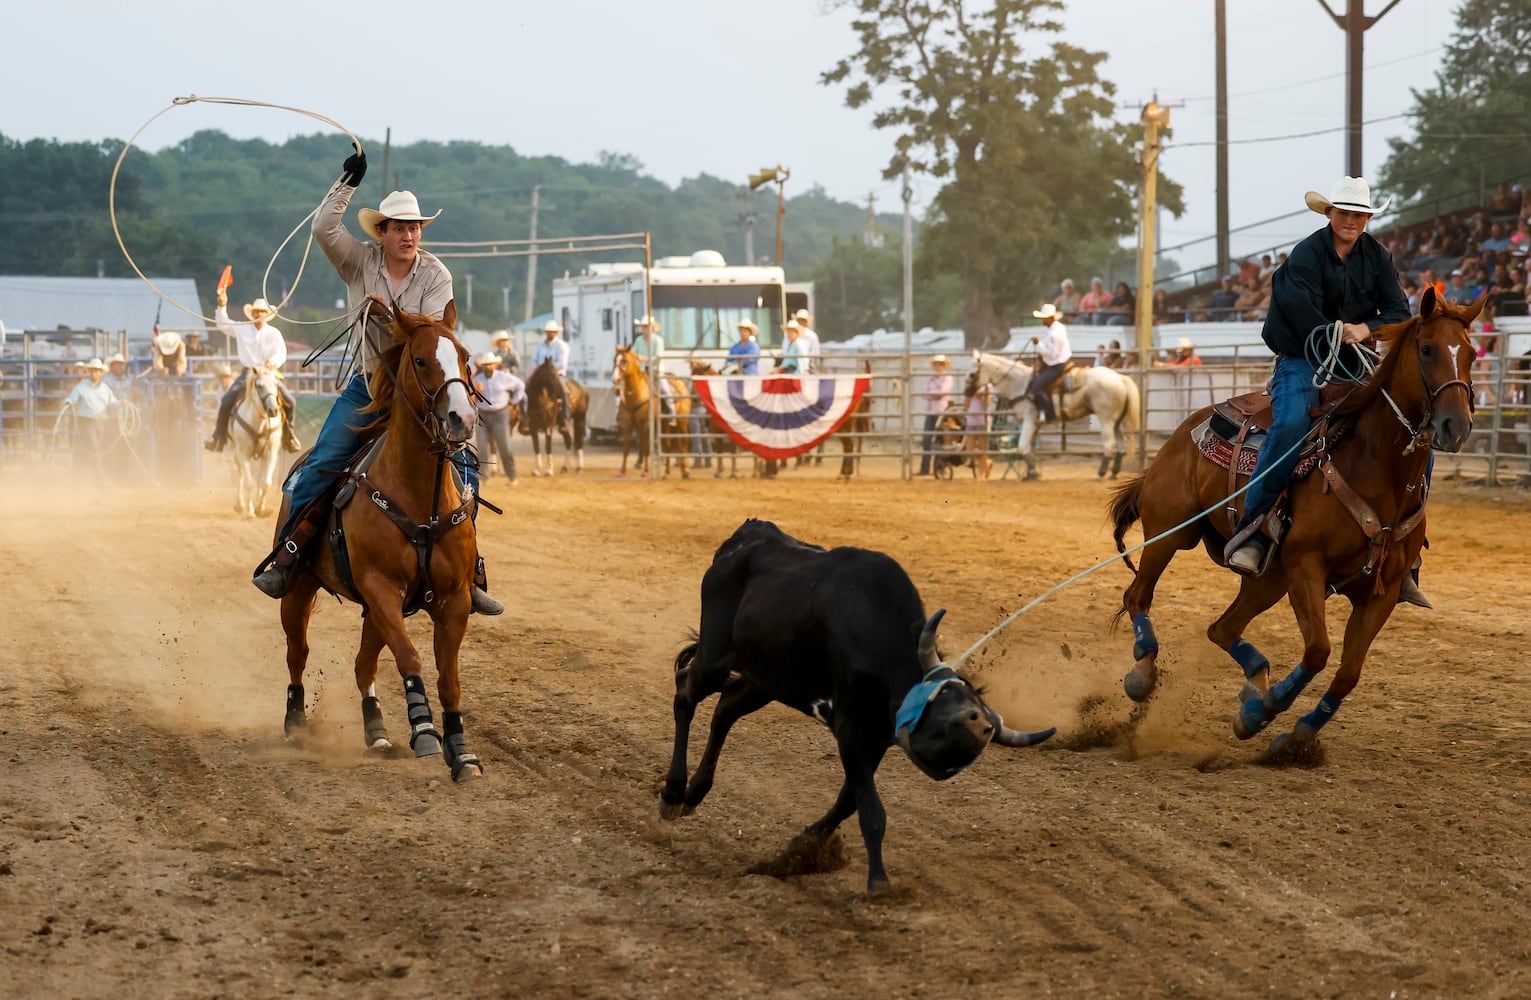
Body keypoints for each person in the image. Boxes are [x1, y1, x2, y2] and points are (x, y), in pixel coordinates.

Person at [254, 148, 502, 615]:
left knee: (463, 467)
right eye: (400, 227)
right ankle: (290, 554)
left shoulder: (436, 274)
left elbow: (427, 340)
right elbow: (323, 229)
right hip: (369, 389)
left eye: (415, 228)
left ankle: (472, 569)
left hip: (420, 397)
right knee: (324, 460)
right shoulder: (358, 261)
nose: (409, 235)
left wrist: (388, 318)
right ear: (381, 233)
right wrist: (347, 183)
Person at [1223, 176, 1428, 607]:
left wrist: (1364, 328)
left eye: (1359, 214)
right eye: (1344, 213)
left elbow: (1398, 312)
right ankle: (1253, 525)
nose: (1351, 220)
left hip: (1354, 360)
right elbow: (1297, 310)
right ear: (1330, 214)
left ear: (1368, 219)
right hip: (1302, 358)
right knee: (1293, 423)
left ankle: (1407, 552)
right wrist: (1333, 332)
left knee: (1412, 429)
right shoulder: (1306, 255)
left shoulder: (1378, 257)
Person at [207, 295, 300, 454]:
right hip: (248, 373)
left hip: (268, 374)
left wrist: (272, 362)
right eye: (256, 312)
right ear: (253, 313)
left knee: (290, 401)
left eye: (262, 311)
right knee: (226, 400)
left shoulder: (273, 333)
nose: (259, 314)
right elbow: (223, 324)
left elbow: (281, 353)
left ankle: (289, 436)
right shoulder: (242, 328)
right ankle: (218, 436)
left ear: (266, 314)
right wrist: (222, 305)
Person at [61, 358, 119, 485]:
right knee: (95, 449)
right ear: (89, 372)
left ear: (100, 373)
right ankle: (101, 480)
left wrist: (122, 404)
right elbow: (72, 398)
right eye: (92, 371)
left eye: (96, 371)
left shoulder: (105, 389)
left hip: (103, 422)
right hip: (87, 422)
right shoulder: (80, 388)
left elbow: (113, 402)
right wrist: (68, 402)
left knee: (96, 450)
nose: (94, 374)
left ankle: (82, 475)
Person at [471, 352, 524, 484]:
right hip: (482, 414)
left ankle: (512, 476)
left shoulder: (504, 377)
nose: (488, 367)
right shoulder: (477, 380)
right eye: (486, 365)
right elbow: (471, 395)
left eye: (490, 364)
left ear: (495, 365)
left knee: (504, 447)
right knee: (481, 447)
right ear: (483, 366)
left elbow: (520, 385)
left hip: (500, 414)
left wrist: (514, 400)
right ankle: (483, 476)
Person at [1026, 303, 1071, 422]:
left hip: (1056, 364)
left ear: (1050, 318)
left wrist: (1038, 344)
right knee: (1034, 382)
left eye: (1044, 318)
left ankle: (1050, 413)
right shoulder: (1056, 328)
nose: (1042, 320)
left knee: (1036, 388)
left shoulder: (1055, 334)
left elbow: (1052, 354)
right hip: (1055, 361)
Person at [917, 354, 954, 476]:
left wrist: (932, 394)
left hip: (942, 412)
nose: (938, 367)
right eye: (936, 365)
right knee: (927, 439)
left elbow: (942, 393)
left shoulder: (948, 378)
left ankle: (939, 468)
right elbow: (925, 394)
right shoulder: (931, 379)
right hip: (931, 411)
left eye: (940, 365)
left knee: (940, 441)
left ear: (943, 366)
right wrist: (935, 394)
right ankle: (925, 468)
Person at [532, 318, 573, 424]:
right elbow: (534, 360)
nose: (550, 334)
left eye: (552, 332)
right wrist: (539, 369)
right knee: (526, 387)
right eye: (548, 332)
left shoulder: (562, 346)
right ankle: (526, 417)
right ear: (546, 332)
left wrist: (548, 370)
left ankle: (565, 416)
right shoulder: (540, 345)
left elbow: (562, 363)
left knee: (564, 391)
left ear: (556, 333)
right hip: (540, 376)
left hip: (556, 375)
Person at [961, 373, 993, 479]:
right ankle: (986, 462)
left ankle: (982, 473)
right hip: (971, 419)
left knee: (981, 447)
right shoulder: (970, 388)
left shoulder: (988, 387)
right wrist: (969, 396)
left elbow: (987, 405)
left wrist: (981, 397)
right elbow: (965, 405)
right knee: (970, 448)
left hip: (982, 419)